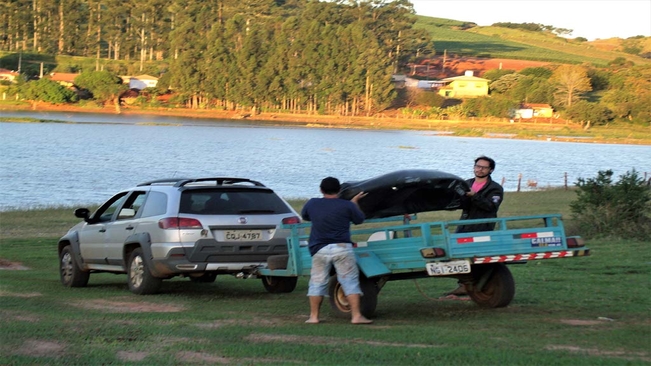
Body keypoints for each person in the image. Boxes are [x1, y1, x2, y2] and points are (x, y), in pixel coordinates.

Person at [301, 177, 373, 324]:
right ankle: (356, 316)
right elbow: (359, 220)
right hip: (342, 248)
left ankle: (314, 317)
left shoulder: (312, 203)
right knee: (350, 281)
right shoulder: (347, 206)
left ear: (321, 190)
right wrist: (354, 203)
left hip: (319, 248)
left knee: (317, 282)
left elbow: (305, 216)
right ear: (339, 190)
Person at [446, 156, 504, 296]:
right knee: (455, 252)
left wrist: (474, 195)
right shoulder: (466, 183)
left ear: (490, 170)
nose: (479, 169)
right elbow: (461, 204)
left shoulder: (495, 188)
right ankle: (464, 284)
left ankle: (473, 285)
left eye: (484, 167)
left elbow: (490, 206)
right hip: (464, 224)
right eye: (477, 166)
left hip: (482, 226)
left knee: (477, 256)